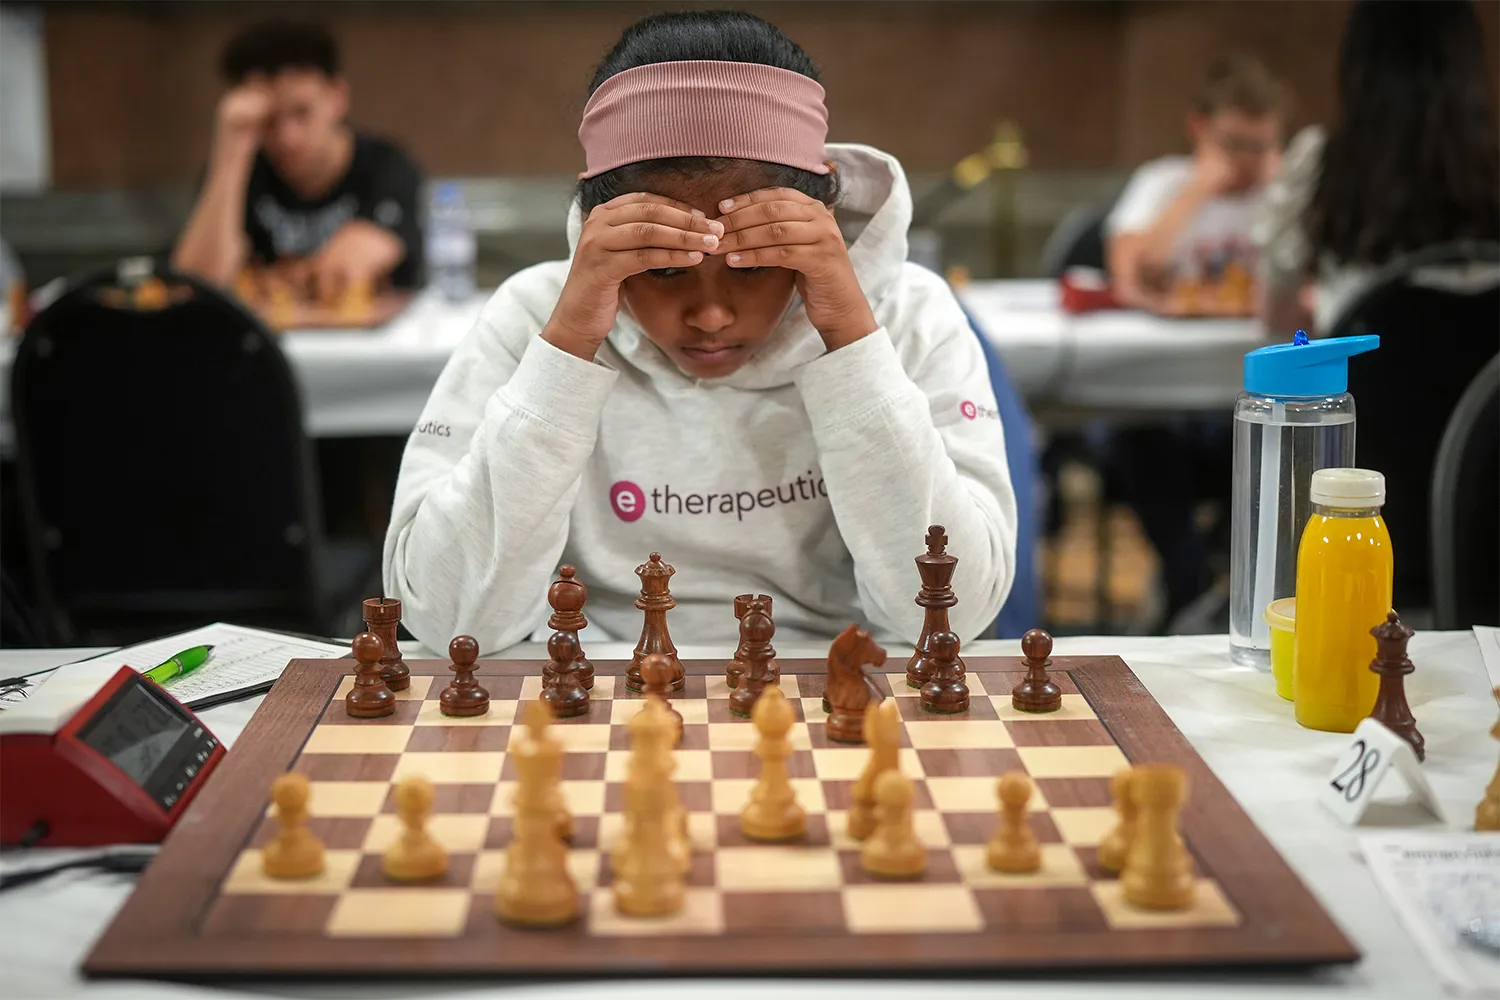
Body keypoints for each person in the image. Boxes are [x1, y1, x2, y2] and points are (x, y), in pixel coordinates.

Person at [381, 10, 1017, 655]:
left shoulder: (908, 316)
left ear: (821, 218)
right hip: (593, 689)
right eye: (661, 268)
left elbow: (951, 618)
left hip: (835, 691)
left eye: (755, 266)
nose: (710, 315)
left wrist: (851, 338)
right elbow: (448, 620)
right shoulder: (533, 318)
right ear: (595, 219)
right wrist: (567, 349)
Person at [1254, 0, 1500, 335]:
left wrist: (1335, 310)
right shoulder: (1488, 171)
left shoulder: (1318, 163)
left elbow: (1277, 318)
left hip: (1369, 384)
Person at [171, 21, 424, 300]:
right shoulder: (242, 171)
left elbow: (347, 268)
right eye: (268, 120)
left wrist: (270, 280)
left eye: (302, 112)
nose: (287, 137)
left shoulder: (386, 165)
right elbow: (195, 284)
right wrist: (230, 151)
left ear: (337, 97)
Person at [1106, 55, 1290, 315]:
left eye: (1259, 147)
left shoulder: (1283, 192)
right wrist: (1196, 191)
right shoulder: (1159, 182)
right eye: (1233, 144)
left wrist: (1285, 195)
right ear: (1199, 128)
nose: (1246, 160)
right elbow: (1130, 278)